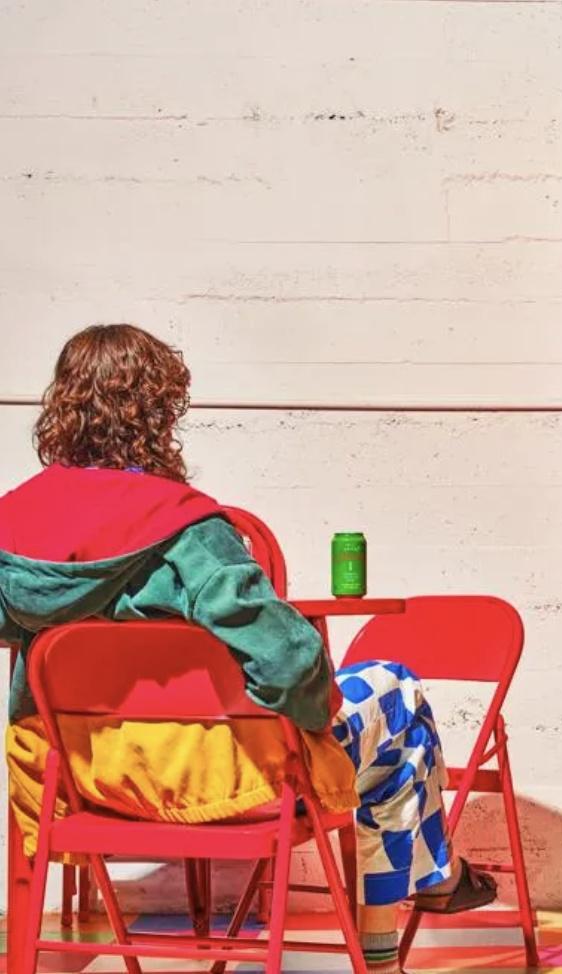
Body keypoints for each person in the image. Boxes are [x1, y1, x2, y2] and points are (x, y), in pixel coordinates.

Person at [1, 325, 495, 974]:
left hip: (80, 777)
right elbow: (289, 661)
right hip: (215, 775)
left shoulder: (14, 522)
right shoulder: (182, 526)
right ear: (157, 413)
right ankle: (405, 918)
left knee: (381, 731)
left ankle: (432, 881)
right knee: (396, 695)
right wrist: (319, 712)